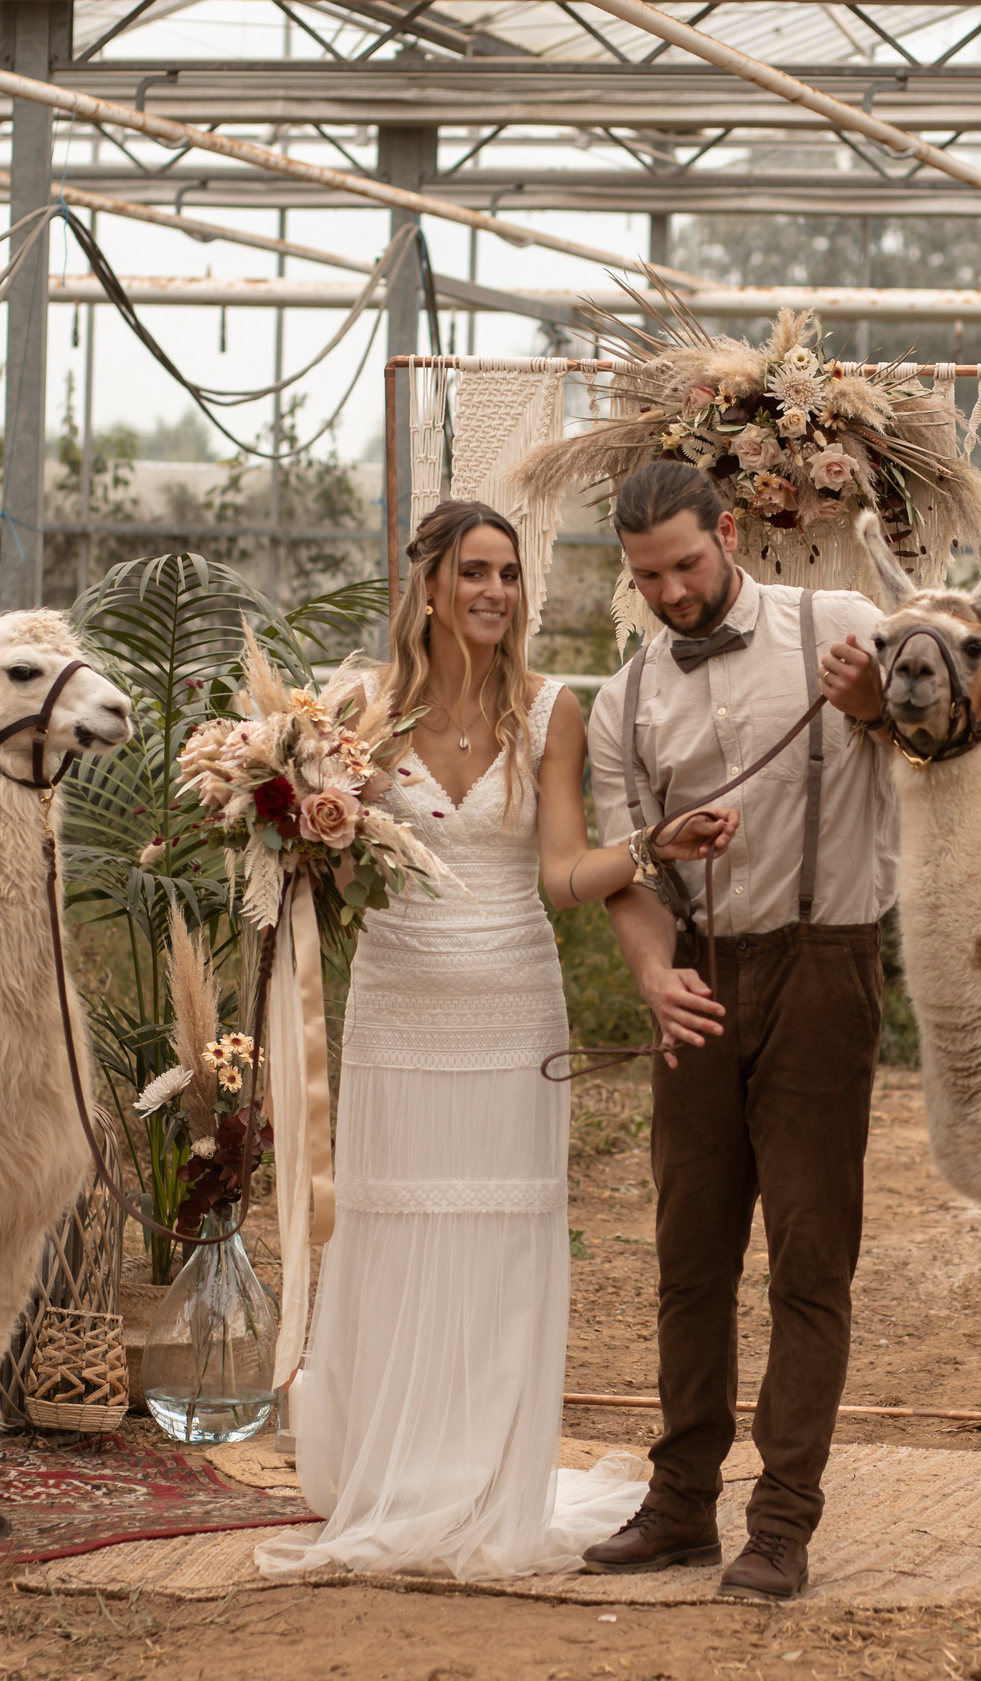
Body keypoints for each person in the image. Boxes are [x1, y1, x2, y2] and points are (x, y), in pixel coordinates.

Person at [256, 498, 737, 1581]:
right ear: (428, 585)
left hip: (514, 1006)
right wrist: (279, 820)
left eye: (509, 576)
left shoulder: (552, 711)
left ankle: (485, 1481)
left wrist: (651, 845)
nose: (494, 594)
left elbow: (563, 877)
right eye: (474, 572)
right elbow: (326, 878)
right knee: (390, 1239)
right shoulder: (353, 716)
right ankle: (395, 1475)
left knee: (502, 1249)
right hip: (396, 1011)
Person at [578, 460, 896, 1604]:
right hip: (700, 977)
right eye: (647, 578)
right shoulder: (625, 699)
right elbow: (626, 877)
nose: (669, 593)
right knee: (689, 1257)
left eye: (685, 566)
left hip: (825, 966)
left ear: (728, 534)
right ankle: (678, 1509)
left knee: (811, 1259)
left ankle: (783, 1523)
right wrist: (656, 978)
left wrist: (866, 702)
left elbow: (926, 742)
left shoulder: (844, 624)